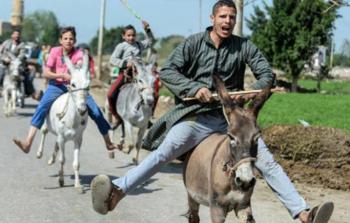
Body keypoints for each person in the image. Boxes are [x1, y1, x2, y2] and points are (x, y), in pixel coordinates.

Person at [90, 1, 334, 222]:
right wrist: (194, 88)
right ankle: (117, 192)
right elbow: (168, 71)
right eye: (223, 16)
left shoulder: (244, 46)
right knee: (164, 152)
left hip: (233, 120)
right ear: (212, 18)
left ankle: (303, 213)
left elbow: (266, 73)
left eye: (231, 17)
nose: (227, 21)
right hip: (197, 116)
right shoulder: (193, 43)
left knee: (267, 161)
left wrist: (255, 89)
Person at [13, 26, 116, 153]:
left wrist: (78, 68)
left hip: (76, 88)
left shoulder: (79, 54)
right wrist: (61, 75)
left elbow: (80, 66)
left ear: (75, 40)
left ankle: (108, 142)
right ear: (60, 40)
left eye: (71, 39)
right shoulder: (55, 51)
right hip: (56, 86)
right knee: (41, 107)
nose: (68, 41)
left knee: (96, 111)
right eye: (65, 38)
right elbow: (46, 73)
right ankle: (28, 142)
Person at [107, 20, 154, 129]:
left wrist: (147, 30)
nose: (131, 38)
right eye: (128, 35)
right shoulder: (121, 46)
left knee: (153, 94)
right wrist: (125, 63)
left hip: (140, 75)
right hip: (126, 74)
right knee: (110, 94)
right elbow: (112, 59)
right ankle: (117, 117)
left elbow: (150, 41)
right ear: (123, 36)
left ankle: (147, 117)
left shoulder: (139, 45)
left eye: (133, 35)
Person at [0, 29, 42, 100]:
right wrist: (5, 59)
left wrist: (15, 60)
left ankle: (31, 93)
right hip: (5, 64)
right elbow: (1, 53)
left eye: (18, 35)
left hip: (17, 65)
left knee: (26, 77)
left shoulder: (22, 44)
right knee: (1, 74)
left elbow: (22, 54)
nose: (17, 36)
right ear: (12, 35)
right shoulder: (6, 42)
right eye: (15, 34)